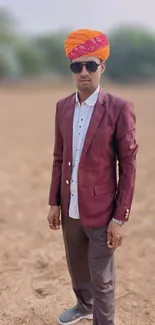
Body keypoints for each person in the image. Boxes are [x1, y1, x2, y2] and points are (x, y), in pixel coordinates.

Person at [47, 29, 138, 325]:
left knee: (102, 278)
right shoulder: (62, 107)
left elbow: (129, 166)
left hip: (102, 211)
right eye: (77, 66)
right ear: (72, 69)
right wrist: (54, 202)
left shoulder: (119, 109)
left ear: (103, 67)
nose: (83, 72)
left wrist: (119, 218)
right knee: (77, 267)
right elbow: (59, 158)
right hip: (69, 205)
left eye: (91, 65)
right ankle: (84, 306)